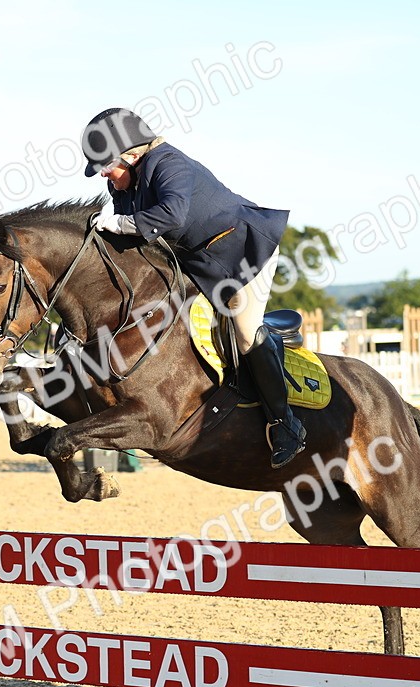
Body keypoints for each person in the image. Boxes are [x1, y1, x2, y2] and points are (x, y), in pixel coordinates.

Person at [81, 107, 306, 468]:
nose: (104, 174)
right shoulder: (122, 184)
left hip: (244, 253)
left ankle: (286, 425)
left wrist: (119, 223)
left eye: (107, 165)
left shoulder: (168, 163)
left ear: (131, 155)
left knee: (244, 332)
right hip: (199, 263)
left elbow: (172, 215)